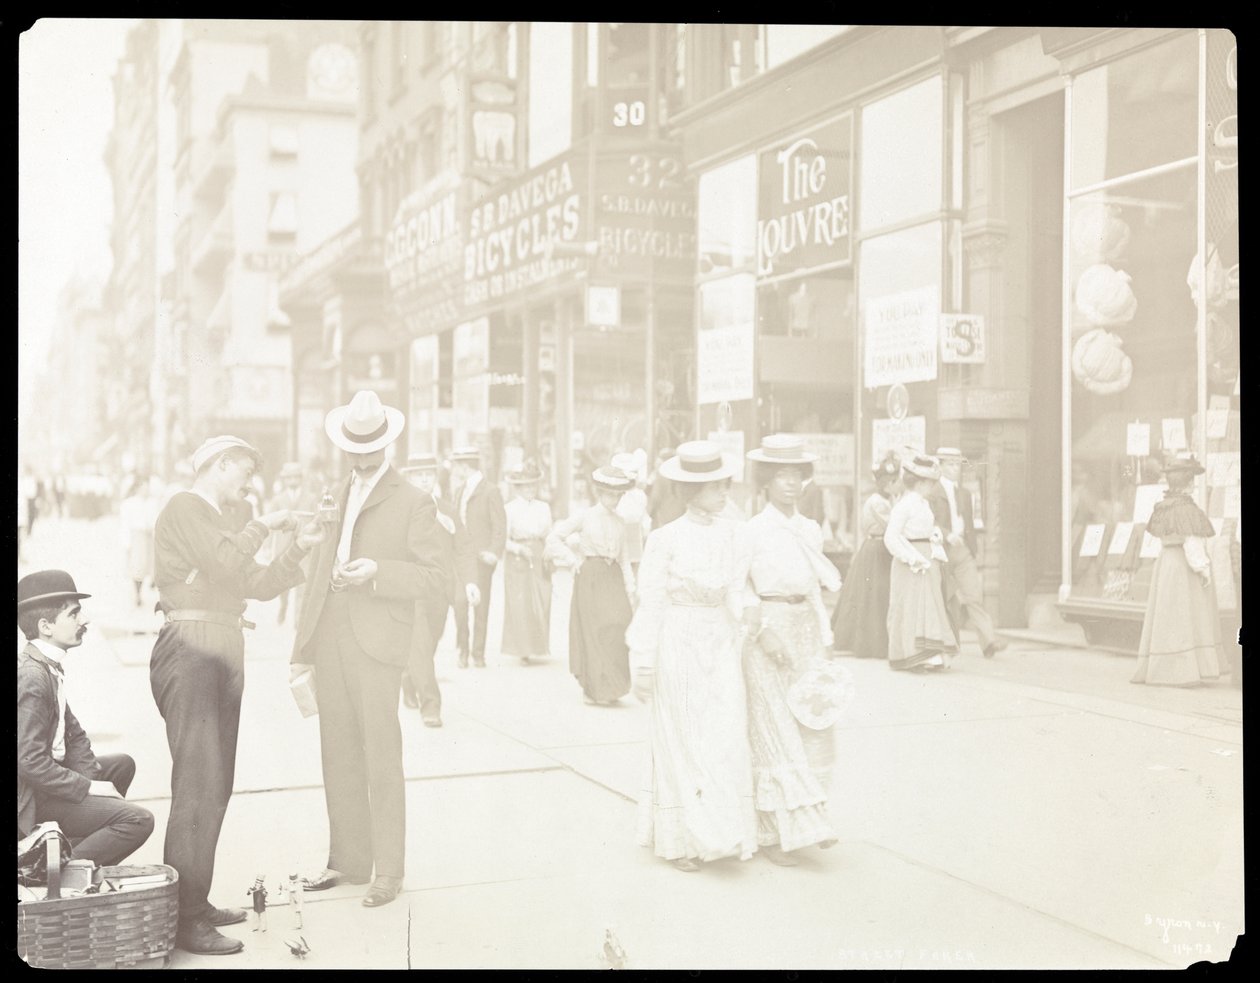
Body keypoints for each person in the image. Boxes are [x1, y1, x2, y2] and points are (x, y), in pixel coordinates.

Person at [150, 435, 325, 955]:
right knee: (198, 785)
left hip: (221, 648)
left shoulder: (221, 523)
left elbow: (260, 582)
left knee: (216, 783)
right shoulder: (185, 507)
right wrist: (267, 524)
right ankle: (184, 919)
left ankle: (194, 902)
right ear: (219, 465)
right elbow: (228, 564)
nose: (250, 483)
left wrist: (301, 545)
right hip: (191, 649)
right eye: (244, 472)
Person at [291, 390, 448, 910]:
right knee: (336, 751)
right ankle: (350, 861)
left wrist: (380, 572)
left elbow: (435, 577)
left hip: (377, 641)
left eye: (371, 449)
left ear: (387, 442)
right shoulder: (335, 491)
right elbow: (317, 570)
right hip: (333, 632)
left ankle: (389, 871)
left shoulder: (413, 500)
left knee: (381, 756)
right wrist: (303, 646)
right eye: (354, 450)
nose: (362, 459)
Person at [627, 441, 757, 872]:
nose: (725, 494)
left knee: (720, 733)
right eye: (715, 487)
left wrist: (750, 625)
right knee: (681, 735)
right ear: (691, 490)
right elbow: (652, 601)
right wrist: (644, 661)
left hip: (718, 641)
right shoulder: (665, 539)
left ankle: (720, 832)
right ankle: (682, 839)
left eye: (725, 485)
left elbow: (737, 591)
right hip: (678, 639)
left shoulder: (734, 534)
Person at [741, 434, 843, 865]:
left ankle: (808, 822)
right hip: (769, 629)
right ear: (766, 481)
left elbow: (817, 591)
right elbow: (742, 588)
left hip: (805, 628)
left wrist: (826, 638)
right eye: (781, 476)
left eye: (796, 476)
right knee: (773, 729)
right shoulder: (752, 531)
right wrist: (763, 631)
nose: (789, 484)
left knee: (811, 723)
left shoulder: (809, 529)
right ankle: (770, 835)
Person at [18, 570, 155, 867]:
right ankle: (48, 870)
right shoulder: (32, 677)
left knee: (121, 765)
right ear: (46, 626)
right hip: (29, 801)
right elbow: (29, 762)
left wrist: (89, 781)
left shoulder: (47, 665)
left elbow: (74, 734)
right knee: (139, 821)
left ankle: (66, 848)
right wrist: (88, 788)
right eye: (74, 614)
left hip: (45, 783)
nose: (84, 621)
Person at [1131, 454, 1223, 686]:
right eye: (1192, 481)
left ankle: (1162, 668)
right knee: (1185, 617)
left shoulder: (1163, 507)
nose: (1194, 485)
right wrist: (1204, 571)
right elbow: (1193, 545)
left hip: (1166, 565)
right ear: (1188, 484)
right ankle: (1184, 671)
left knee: (1167, 615)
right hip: (1184, 567)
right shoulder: (1188, 510)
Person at [548, 465, 637, 704]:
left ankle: (613, 685)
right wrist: (571, 560)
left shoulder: (620, 521)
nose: (615, 499)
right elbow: (554, 537)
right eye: (610, 494)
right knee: (594, 631)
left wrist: (630, 586)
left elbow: (625, 557)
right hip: (591, 577)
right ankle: (595, 689)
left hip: (613, 577)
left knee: (618, 626)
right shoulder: (585, 516)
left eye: (619, 495)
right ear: (599, 492)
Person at [398, 452, 470, 728]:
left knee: (430, 642)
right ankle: (431, 706)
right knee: (419, 642)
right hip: (412, 588)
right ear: (410, 478)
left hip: (438, 589)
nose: (426, 478)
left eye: (430, 473)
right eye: (420, 474)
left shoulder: (447, 509)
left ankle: (407, 677)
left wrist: (470, 582)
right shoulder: (401, 508)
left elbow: (463, 546)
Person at [884, 455, 959, 672]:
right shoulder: (904, 505)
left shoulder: (923, 503)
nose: (932, 487)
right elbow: (891, 537)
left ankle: (931, 657)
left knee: (930, 606)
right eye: (929, 483)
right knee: (910, 608)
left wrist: (934, 535)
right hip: (911, 563)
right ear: (919, 483)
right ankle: (911, 656)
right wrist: (910, 557)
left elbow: (928, 527)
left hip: (928, 559)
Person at [929, 448, 1006, 659]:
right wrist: (946, 534)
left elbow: (970, 523)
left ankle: (988, 641)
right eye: (951, 465)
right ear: (941, 466)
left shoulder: (964, 494)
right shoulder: (933, 493)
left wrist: (973, 548)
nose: (956, 469)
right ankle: (941, 643)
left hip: (962, 550)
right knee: (942, 598)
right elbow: (929, 521)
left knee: (974, 595)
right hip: (941, 550)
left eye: (958, 465)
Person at [831, 453, 901, 659]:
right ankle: (873, 643)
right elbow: (892, 526)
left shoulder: (887, 500)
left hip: (880, 548)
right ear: (887, 485)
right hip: (877, 549)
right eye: (895, 482)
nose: (898, 486)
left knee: (877, 594)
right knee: (875, 595)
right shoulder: (878, 503)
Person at [447, 447, 506, 668]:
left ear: (465, 466)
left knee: (481, 606)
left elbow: (500, 525)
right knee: (460, 603)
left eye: (456, 466)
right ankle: (463, 648)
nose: (454, 470)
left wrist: (494, 552)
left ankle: (478, 653)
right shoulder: (459, 490)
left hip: (481, 558)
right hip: (461, 558)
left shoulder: (490, 491)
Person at [501, 462, 554, 665]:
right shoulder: (509, 509)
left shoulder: (544, 508)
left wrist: (550, 552)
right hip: (518, 557)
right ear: (518, 488)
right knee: (520, 602)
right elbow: (503, 539)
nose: (530, 489)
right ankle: (522, 649)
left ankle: (538, 646)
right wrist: (518, 549)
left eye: (533, 485)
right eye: (525, 486)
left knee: (540, 599)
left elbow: (549, 534)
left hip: (539, 555)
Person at [266, 462, 310, 625]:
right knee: (282, 580)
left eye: (296, 477)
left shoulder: (310, 497)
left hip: (304, 546)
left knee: (302, 581)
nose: (292, 480)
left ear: (301, 478)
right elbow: (269, 524)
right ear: (284, 480)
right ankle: (283, 606)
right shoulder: (278, 499)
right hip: (283, 545)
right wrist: (268, 546)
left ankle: (298, 619)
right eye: (289, 477)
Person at [119, 475, 158, 607]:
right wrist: (127, 542)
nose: (146, 490)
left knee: (151, 566)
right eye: (143, 487)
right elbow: (125, 524)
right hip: (137, 537)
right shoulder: (129, 504)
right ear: (137, 488)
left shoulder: (153, 503)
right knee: (138, 567)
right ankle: (138, 594)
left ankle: (153, 582)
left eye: (147, 487)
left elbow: (157, 520)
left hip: (150, 536)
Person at [612, 451, 649, 574]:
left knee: (629, 568)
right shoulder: (636, 495)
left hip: (630, 533)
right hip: (626, 533)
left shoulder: (636, 495)